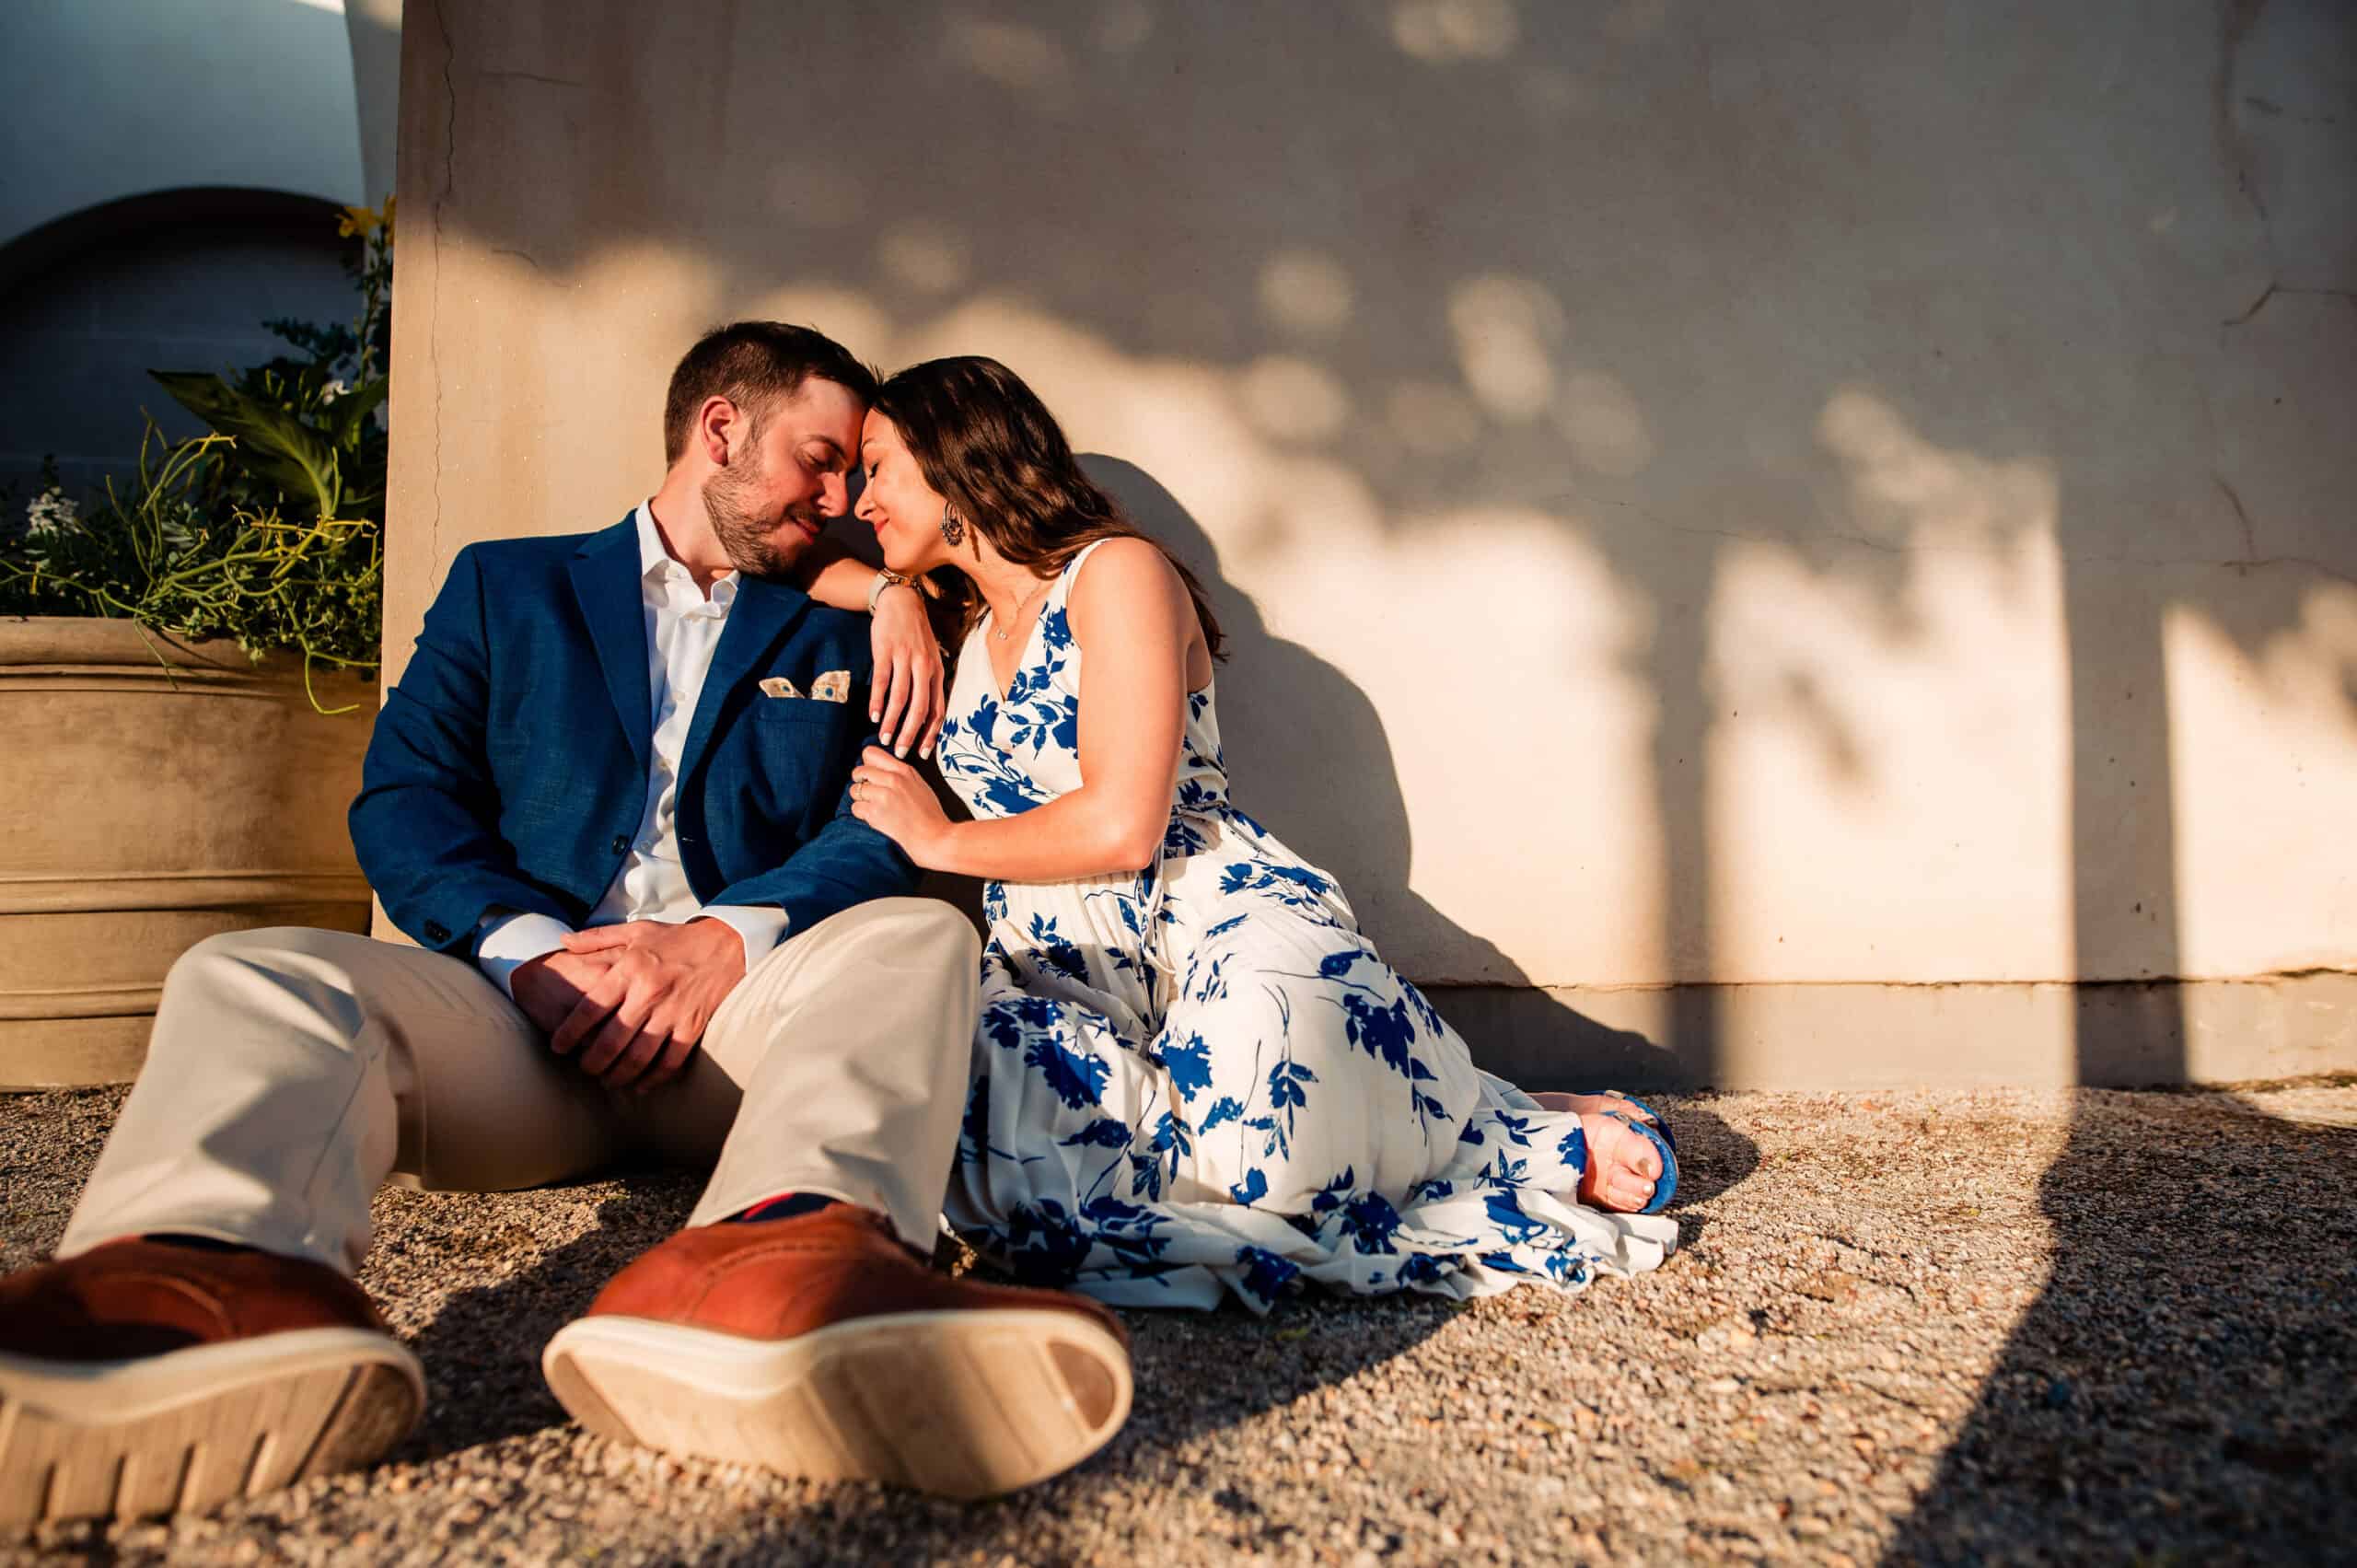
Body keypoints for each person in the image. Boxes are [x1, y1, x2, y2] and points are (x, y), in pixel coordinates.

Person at [0, 324, 1130, 1528]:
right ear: (720, 431)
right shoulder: (508, 583)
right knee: (253, 970)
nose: (843, 496)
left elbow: (876, 823)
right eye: (821, 459)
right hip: (516, 1035)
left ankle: (785, 1265)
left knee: (918, 936)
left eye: (857, 472)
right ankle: (190, 1279)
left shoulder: (842, 624)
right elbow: (405, 797)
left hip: (735, 1040)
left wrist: (719, 940)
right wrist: (528, 956)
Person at [842, 356, 1683, 1311]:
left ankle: (1515, 1127)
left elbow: (1125, 824)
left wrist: (938, 839)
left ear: (955, 451)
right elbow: (768, 558)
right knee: (994, 1157)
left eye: (875, 466)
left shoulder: (1116, 573)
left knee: (1265, 1170)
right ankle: (1410, 1105)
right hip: (1056, 962)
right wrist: (888, 594)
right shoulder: (955, 623)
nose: (857, 499)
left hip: (1207, 912)